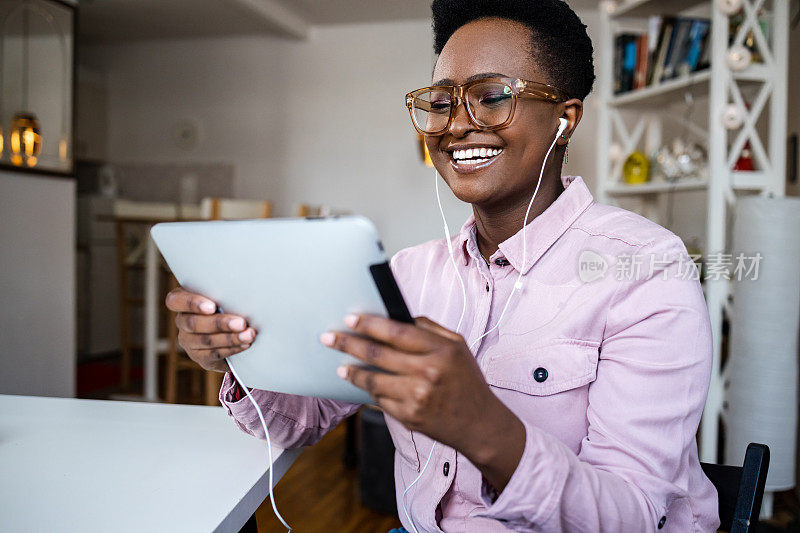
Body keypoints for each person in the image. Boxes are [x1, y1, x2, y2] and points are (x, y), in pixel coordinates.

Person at [166, 1, 720, 531]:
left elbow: (632, 517)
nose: (456, 125)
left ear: (564, 119)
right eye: (441, 101)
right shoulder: (408, 276)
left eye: (492, 96)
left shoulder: (645, 271)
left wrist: (482, 425)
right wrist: (240, 354)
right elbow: (301, 421)